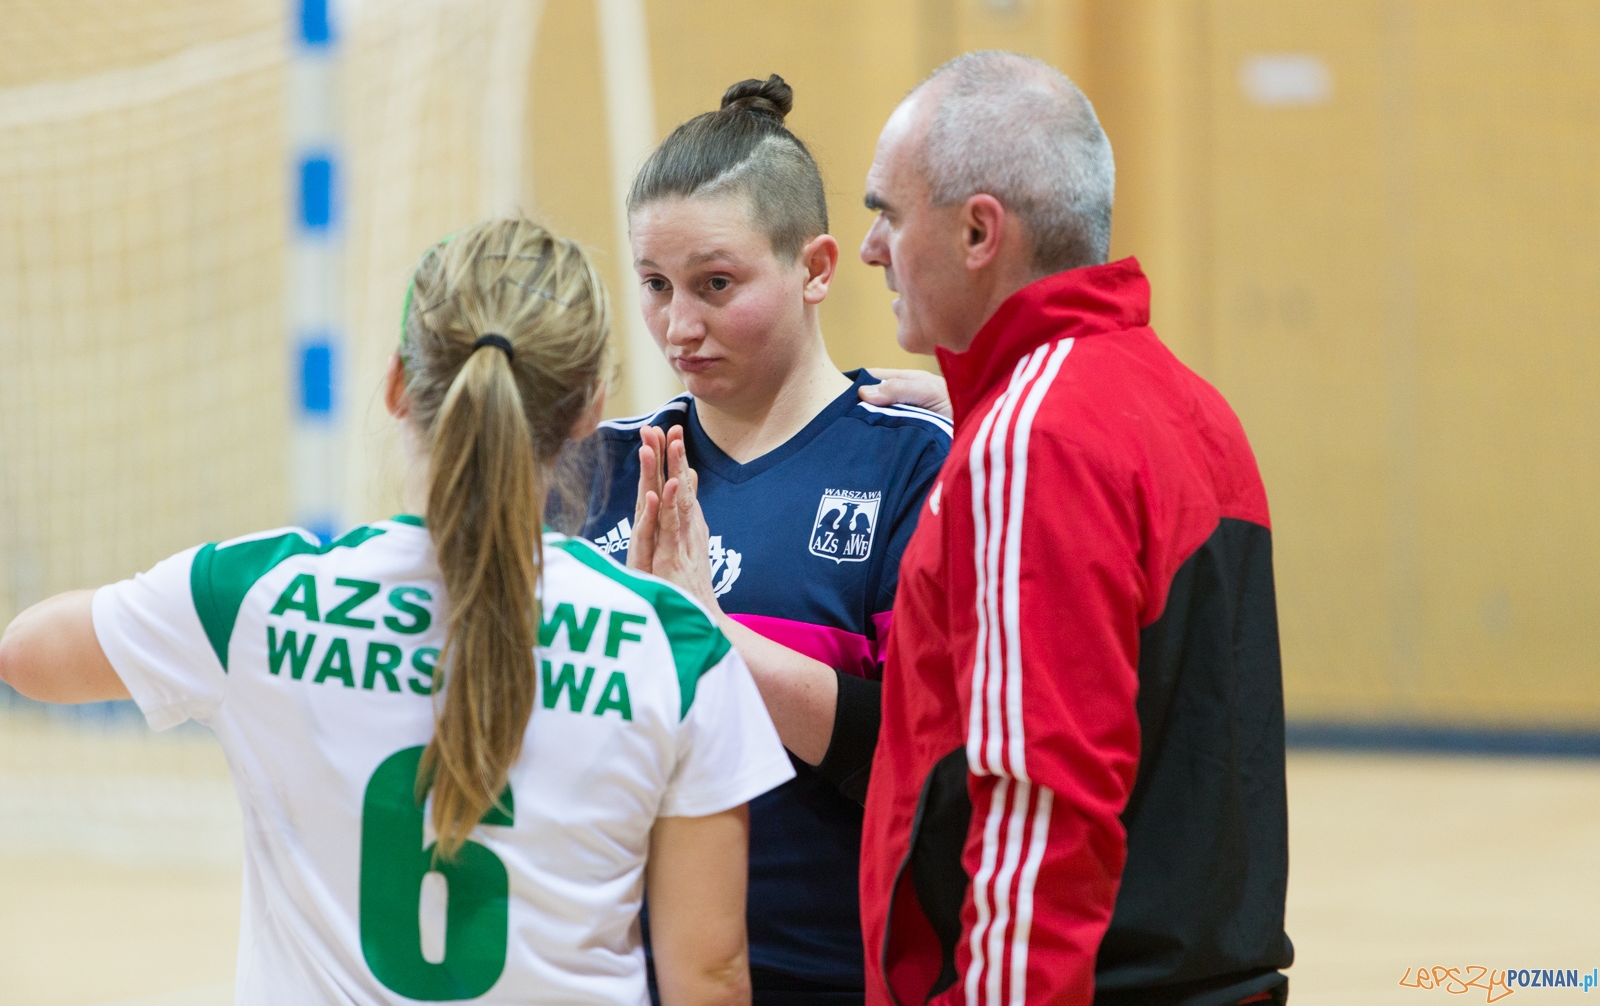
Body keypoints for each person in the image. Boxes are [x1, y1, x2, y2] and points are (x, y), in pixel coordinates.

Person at [0, 219, 795, 1006]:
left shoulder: (253, 594)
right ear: (589, 407)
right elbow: (711, 976)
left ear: (394, 387)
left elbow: (28, 653)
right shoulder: (678, 646)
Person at [855, 52, 1293, 1005]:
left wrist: (1003, 429)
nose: (869, 249)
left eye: (885, 212)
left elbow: (1038, 805)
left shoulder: (1035, 437)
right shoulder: (1186, 405)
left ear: (979, 230)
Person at [576, 75, 952, 1005]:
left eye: (716, 284)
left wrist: (705, 632)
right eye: (656, 287)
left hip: (833, 975)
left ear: (816, 266)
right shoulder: (601, 470)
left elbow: (919, 762)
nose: (679, 325)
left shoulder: (911, 462)